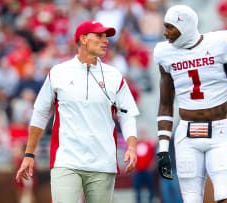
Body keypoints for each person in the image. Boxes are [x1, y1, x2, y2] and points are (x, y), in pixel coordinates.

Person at [154, 5, 227, 203]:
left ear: (184, 26)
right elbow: (165, 104)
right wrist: (163, 148)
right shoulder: (165, 54)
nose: (165, 32)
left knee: (226, 198)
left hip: (218, 132)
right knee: (191, 200)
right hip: (186, 135)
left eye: (170, 27)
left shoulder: (221, 44)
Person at [16, 20, 140, 203]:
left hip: (103, 163)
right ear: (83, 39)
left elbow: (127, 114)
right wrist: (29, 154)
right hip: (66, 161)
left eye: (106, 37)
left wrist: (131, 146)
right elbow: (40, 113)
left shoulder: (115, 75)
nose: (105, 41)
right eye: (99, 36)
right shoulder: (58, 72)